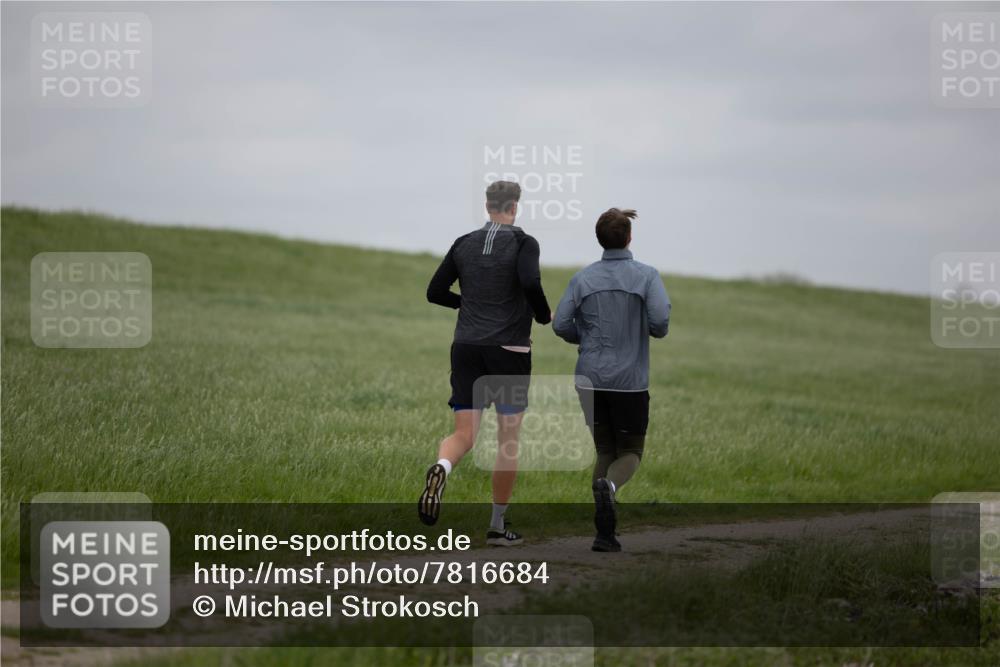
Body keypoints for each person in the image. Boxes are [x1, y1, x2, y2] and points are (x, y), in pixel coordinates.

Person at [420, 180, 551, 546]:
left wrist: (468, 304)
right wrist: (542, 316)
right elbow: (529, 280)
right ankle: (496, 526)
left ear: (488, 205)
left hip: (465, 348)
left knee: (464, 434)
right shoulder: (525, 242)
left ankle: (442, 467)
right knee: (507, 440)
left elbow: (434, 292)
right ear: (515, 206)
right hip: (508, 351)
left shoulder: (464, 242)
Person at [553, 208, 670, 552]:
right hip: (630, 381)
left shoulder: (582, 279)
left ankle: (604, 534)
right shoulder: (647, 276)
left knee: (604, 449)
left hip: (588, 377)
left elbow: (560, 324)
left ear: (599, 238)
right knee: (630, 451)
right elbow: (661, 322)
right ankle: (611, 491)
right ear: (629, 238)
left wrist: (586, 339)